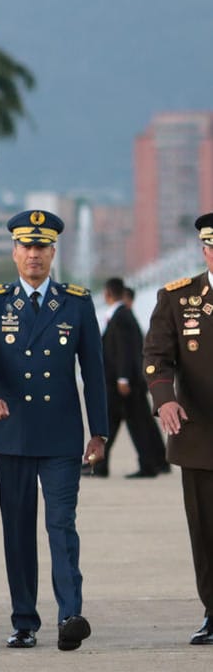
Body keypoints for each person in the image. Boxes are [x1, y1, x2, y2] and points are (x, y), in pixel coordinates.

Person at [0, 210, 107, 651]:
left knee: (62, 524)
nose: (33, 255)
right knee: (19, 527)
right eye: (26, 247)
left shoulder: (77, 303)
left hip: (61, 433)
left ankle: (71, 615)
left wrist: (99, 432)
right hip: (11, 432)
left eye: (41, 247)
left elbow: (94, 372)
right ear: (14, 252)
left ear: (52, 252)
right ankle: (24, 619)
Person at [144, 211, 213, 644]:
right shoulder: (178, 298)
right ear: (206, 250)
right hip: (200, 433)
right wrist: (165, 399)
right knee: (205, 529)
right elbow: (157, 355)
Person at [93, 278, 167, 478]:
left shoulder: (121, 317)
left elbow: (125, 351)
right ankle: (100, 464)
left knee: (133, 426)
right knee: (119, 425)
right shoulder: (121, 315)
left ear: (107, 293)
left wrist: (123, 378)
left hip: (123, 384)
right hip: (121, 383)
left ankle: (149, 465)